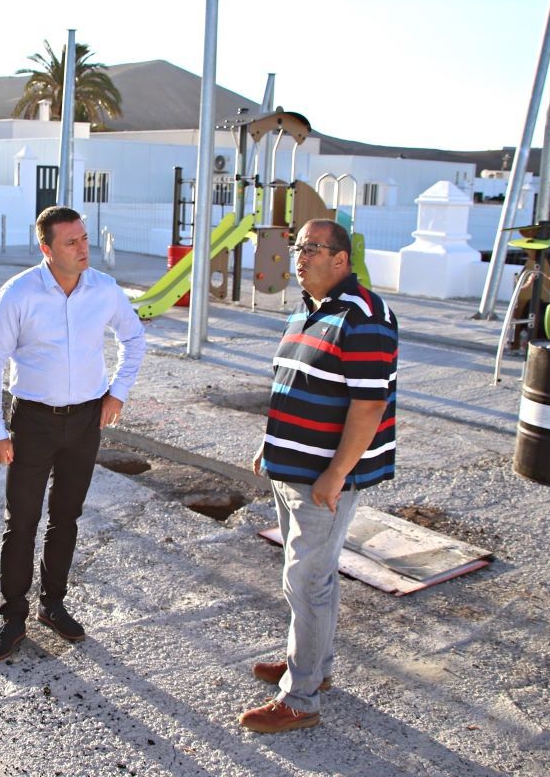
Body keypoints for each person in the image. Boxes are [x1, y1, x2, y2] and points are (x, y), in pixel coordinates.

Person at [241, 219, 397, 733]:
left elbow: (369, 406)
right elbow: (289, 386)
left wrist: (335, 475)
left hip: (322, 482)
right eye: (298, 247)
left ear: (341, 260)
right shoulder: (305, 311)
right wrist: (271, 448)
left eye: (312, 248)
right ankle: (312, 667)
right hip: (291, 471)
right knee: (312, 581)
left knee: (306, 583)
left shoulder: (364, 316)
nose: (300, 256)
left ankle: (301, 698)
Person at [0, 205, 146, 661]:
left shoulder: (104, 290)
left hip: (87, 419)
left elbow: (134, 339)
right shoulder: (19, 294)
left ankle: (53, 605)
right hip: (33, 420)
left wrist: (118, 393)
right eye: (71, 242)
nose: (83, 248)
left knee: (66, 517)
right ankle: (13, 616)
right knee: (22, 522)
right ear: (46, 248)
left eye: (84, 238)